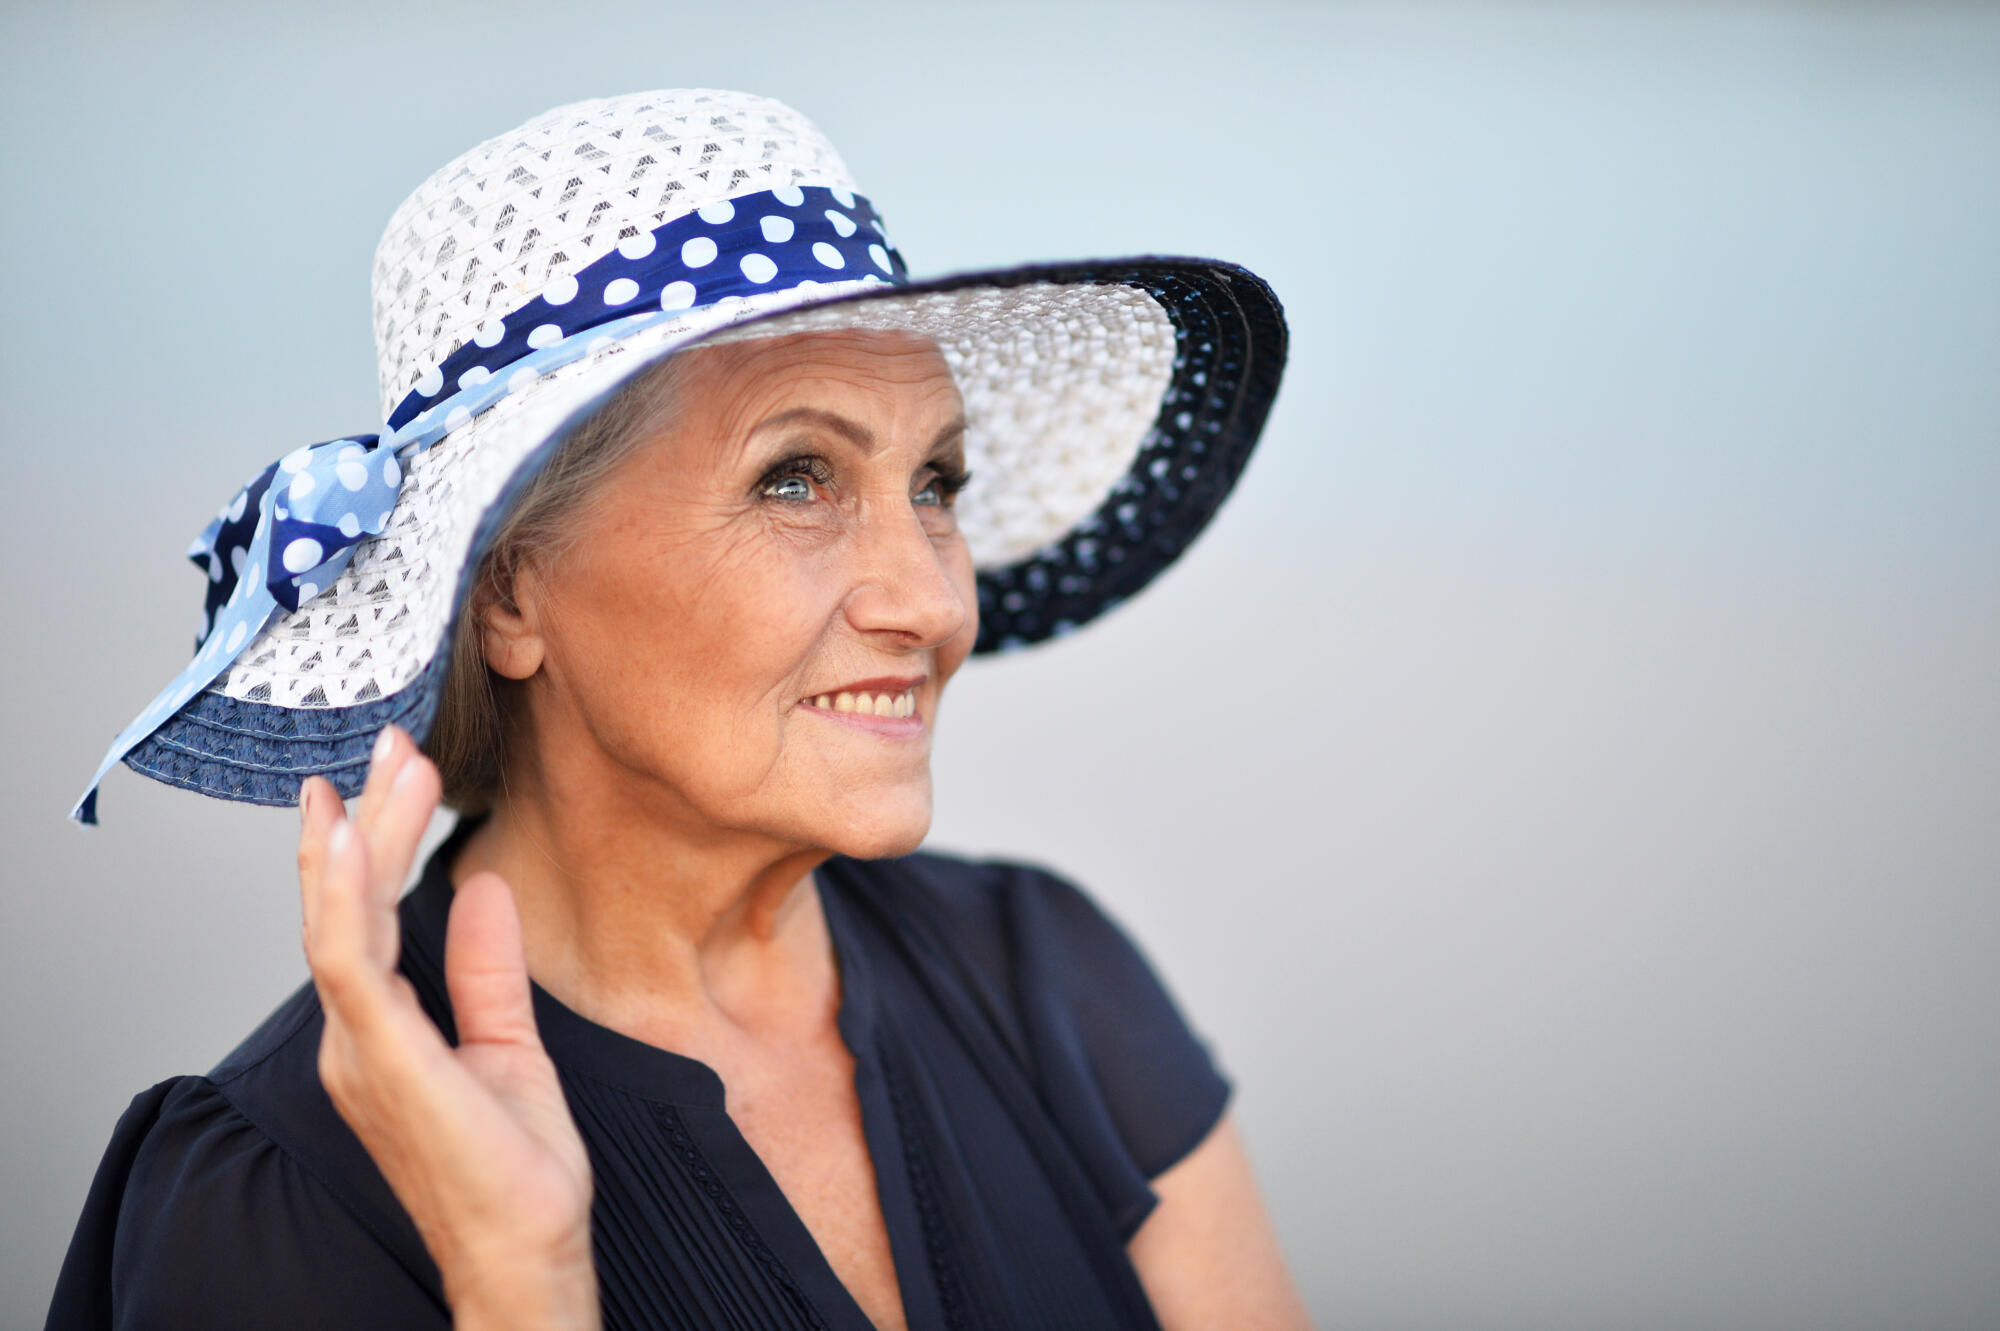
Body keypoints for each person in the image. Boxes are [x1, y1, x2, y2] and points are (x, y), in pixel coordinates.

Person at [50, 90, 1305, 1330]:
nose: (931, 601)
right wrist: (517, 1277)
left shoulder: (1046, 982)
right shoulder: (279, 1195)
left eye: (934, 483)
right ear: (510, 593)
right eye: (795, 478)